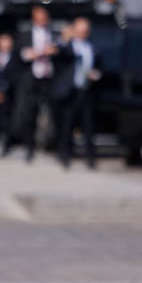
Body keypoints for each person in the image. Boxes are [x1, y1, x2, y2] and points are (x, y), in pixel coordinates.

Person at [53, 17, 100, 169]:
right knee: (67, 125)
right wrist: (65, 39)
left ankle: (90, 158)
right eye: (80, 30)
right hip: (70, 91)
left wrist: (96, 74)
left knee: (88, 126)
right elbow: (59, 54)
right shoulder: (67, 46)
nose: (82, 32)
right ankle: (65, 156)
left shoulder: (92, 47)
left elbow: (100, 66)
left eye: (85, 30)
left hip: (86, 90)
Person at [16, 5, 58, 162]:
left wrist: (55, 51)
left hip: (49, 78)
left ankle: (52, 145)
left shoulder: (53, 34)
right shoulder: (25, 34)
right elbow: (21, 54)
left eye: (44, 17)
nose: (42, 20)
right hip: (32, 79)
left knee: (52, 113)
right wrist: (38, 52)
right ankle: (30, 147)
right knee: (29, 114)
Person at [0, 32, 22, 155]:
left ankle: (7, 142)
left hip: (9, 93)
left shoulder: (15, 58)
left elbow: (16, 76)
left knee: (8, 119)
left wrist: (5, 88)